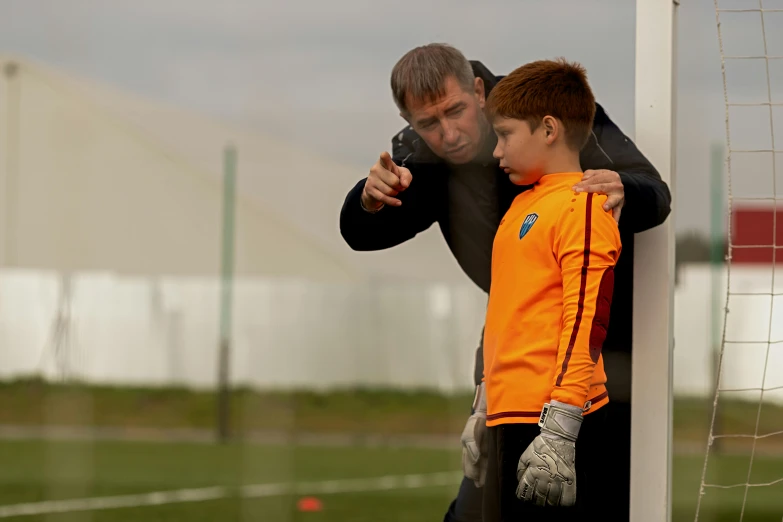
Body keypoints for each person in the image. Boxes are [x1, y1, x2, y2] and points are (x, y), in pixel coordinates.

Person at [339, 43, 671, 522]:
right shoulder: (419, 158)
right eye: (428, 124)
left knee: (600, 499)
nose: (448, 133)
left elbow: (654, 192)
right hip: (511, 353)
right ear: (408, 121)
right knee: (477, 510)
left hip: (597, 353)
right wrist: (366, 199)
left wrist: (624, 187)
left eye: (456, 112)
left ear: (479, 91)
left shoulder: (541, 105)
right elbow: (362, 233)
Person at [480, 57, 619, 521]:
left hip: (553, 424)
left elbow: (586, 322)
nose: (496, 151)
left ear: (548, 128)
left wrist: (561, 427)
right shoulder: (521, 205)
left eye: (504, 135)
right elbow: (506, 314)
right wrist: (484, 403)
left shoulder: (581, 206)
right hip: (510, 416)